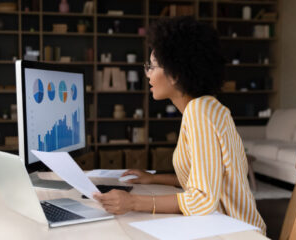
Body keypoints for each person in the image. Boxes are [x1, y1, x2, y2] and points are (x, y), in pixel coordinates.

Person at [93, 17, 266, 234]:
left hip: (236, 233)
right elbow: (205, 177)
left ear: (175, 74)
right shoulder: (208, 107)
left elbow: (202, 199)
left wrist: (133, 202)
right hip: (226, 226)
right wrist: (152, 179)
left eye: (152, 66)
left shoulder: (198, 113)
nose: (147, 73)